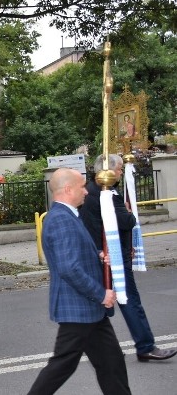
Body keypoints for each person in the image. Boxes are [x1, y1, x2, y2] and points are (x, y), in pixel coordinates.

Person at [27, 168, 130, 394]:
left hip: (87, 309)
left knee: (111, 364)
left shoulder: (68, 215)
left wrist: (98, 256)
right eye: (82, 186)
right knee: (62, 365)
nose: (86, 191)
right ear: (67, 189)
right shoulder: (61, 219)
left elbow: (73, 256)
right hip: (78, 307)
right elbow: (69, 267)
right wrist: (101, 293)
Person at [80, 154, 176, 362]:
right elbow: (126, 220)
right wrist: (130, 214)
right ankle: (145, 346)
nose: (121, 172)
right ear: (108, 169)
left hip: (107, 253)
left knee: (105, 302)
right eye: (120, 168)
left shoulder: (95, 190)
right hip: (111, 256)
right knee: (128, 301)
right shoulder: (105, 192)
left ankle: (108, 348)